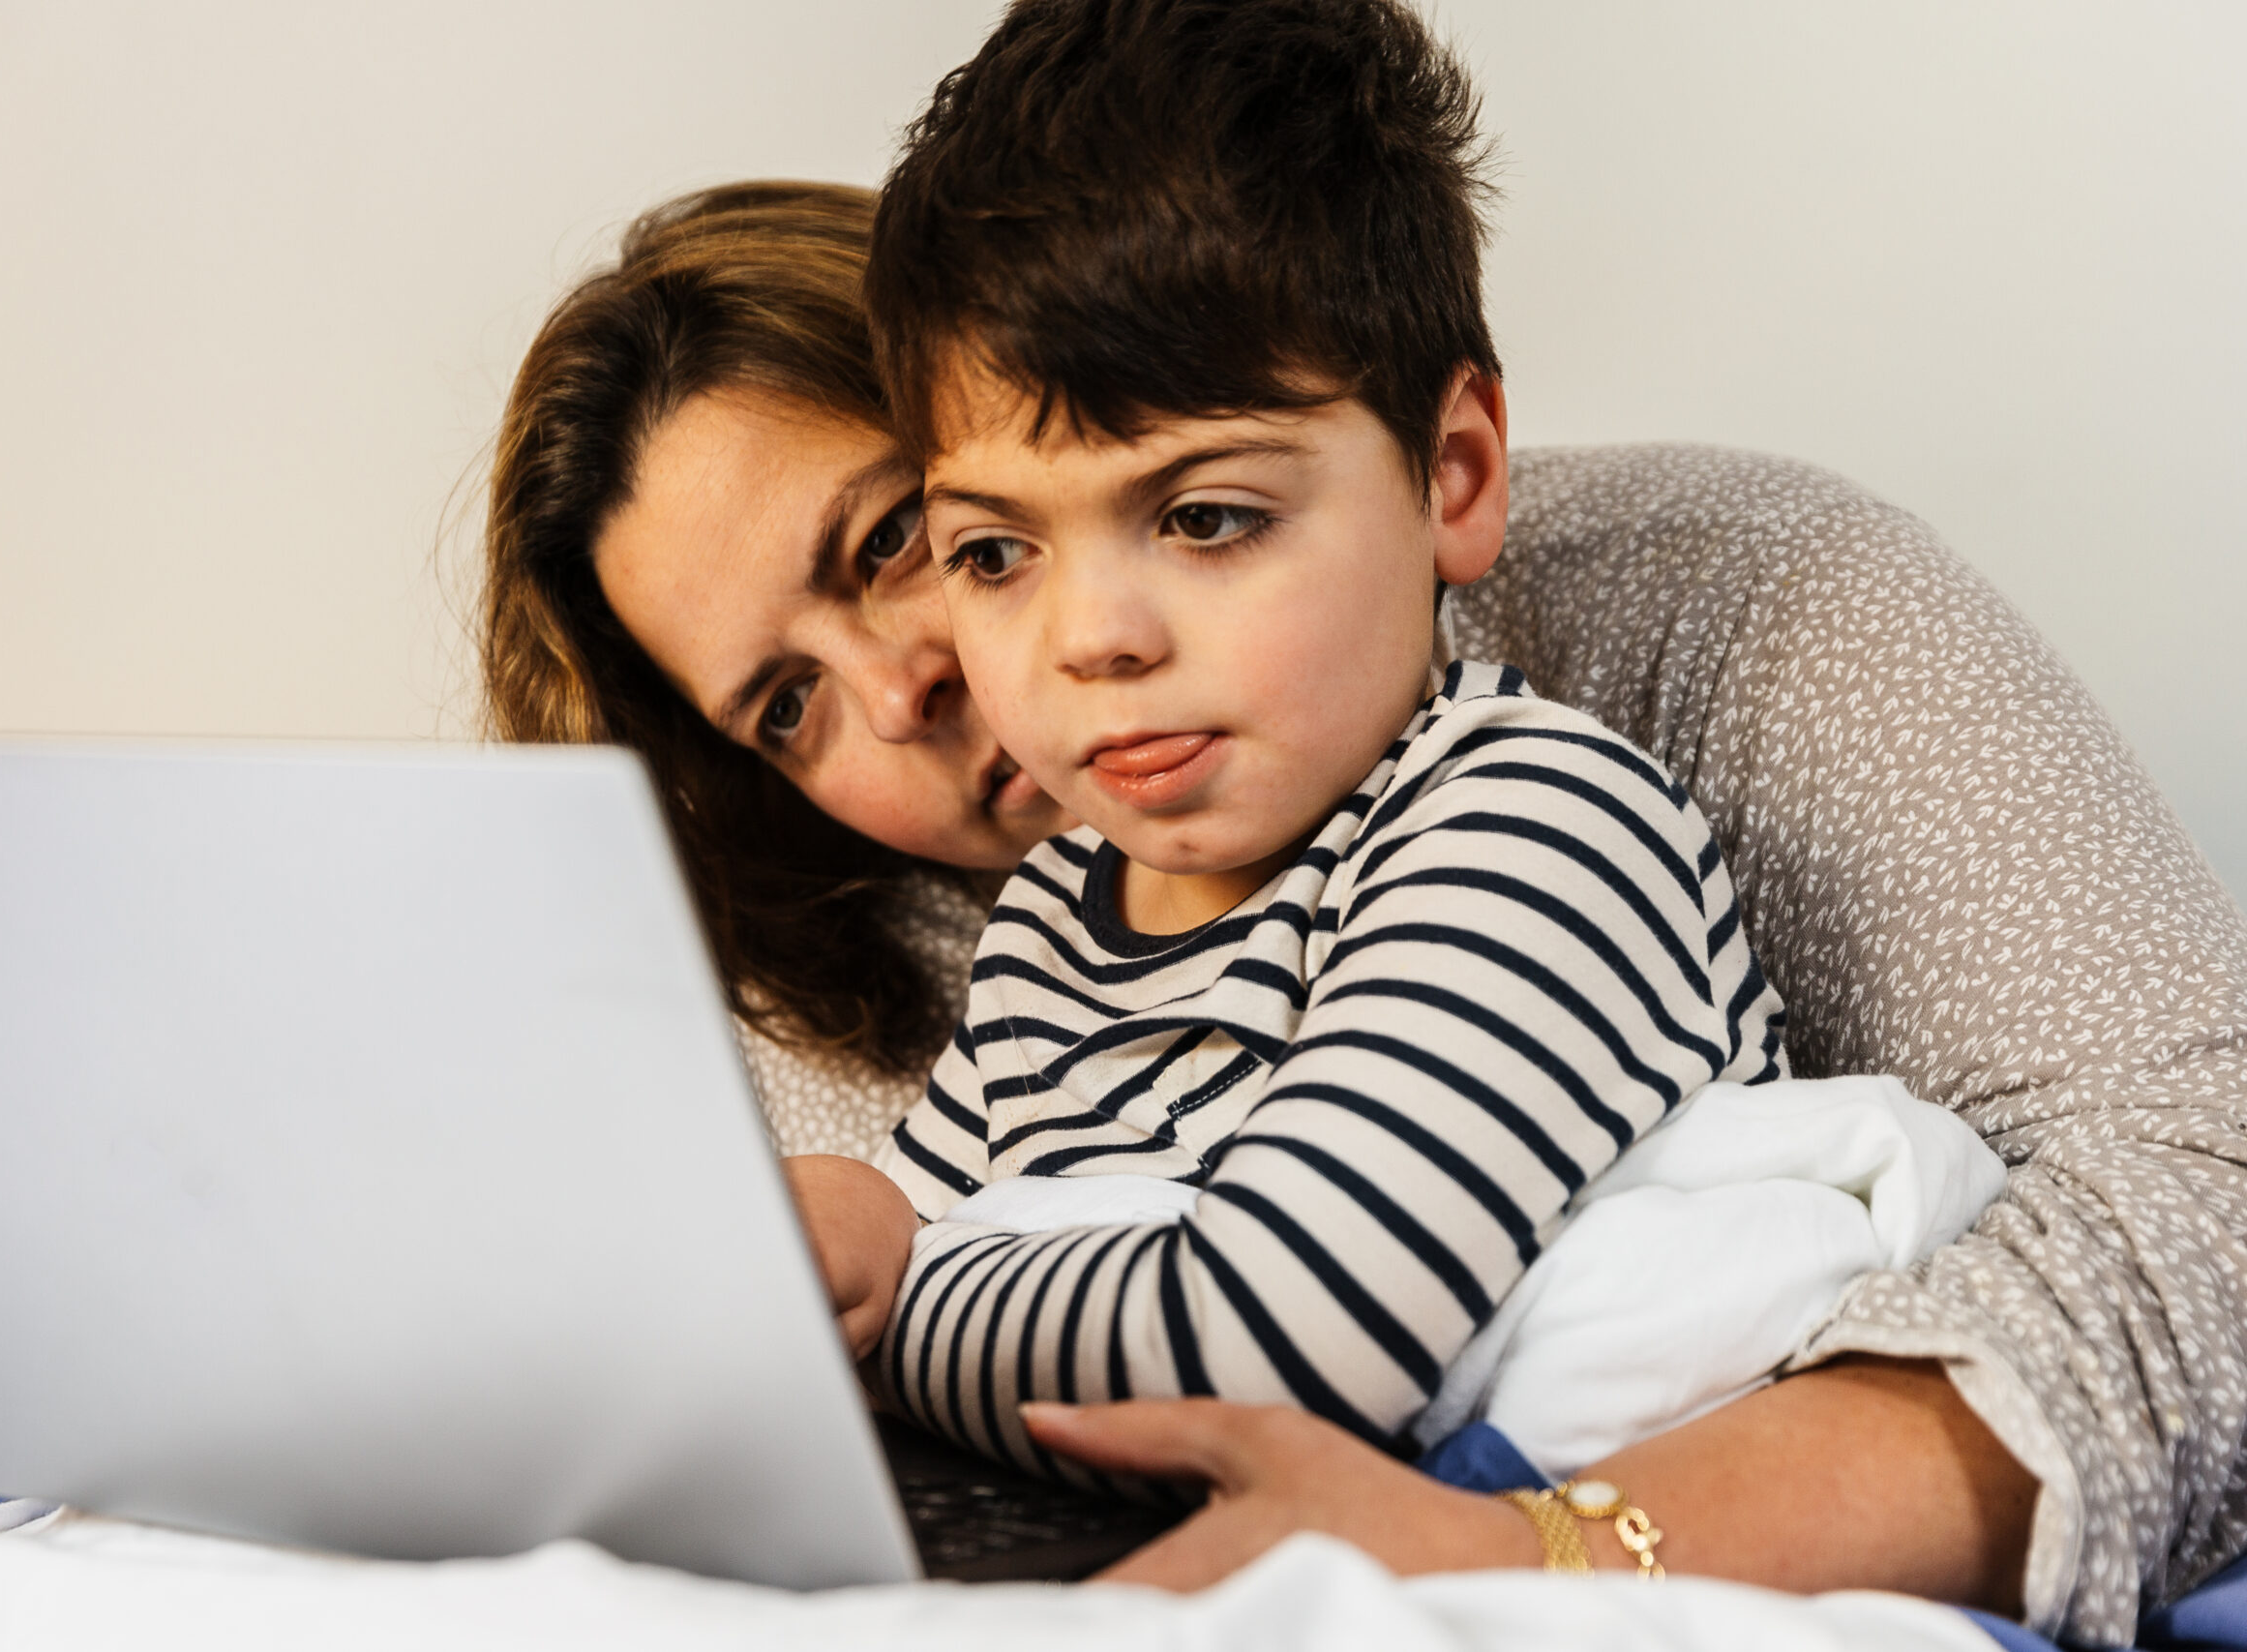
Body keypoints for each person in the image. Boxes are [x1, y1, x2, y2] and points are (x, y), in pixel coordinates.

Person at [479, 157, 2244, 1652]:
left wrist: (893, 1302)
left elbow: (2211, 1190)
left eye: (907, 546)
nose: (901, 695)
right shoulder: (958, 933)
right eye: (781, 706)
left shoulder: (1600, 720)